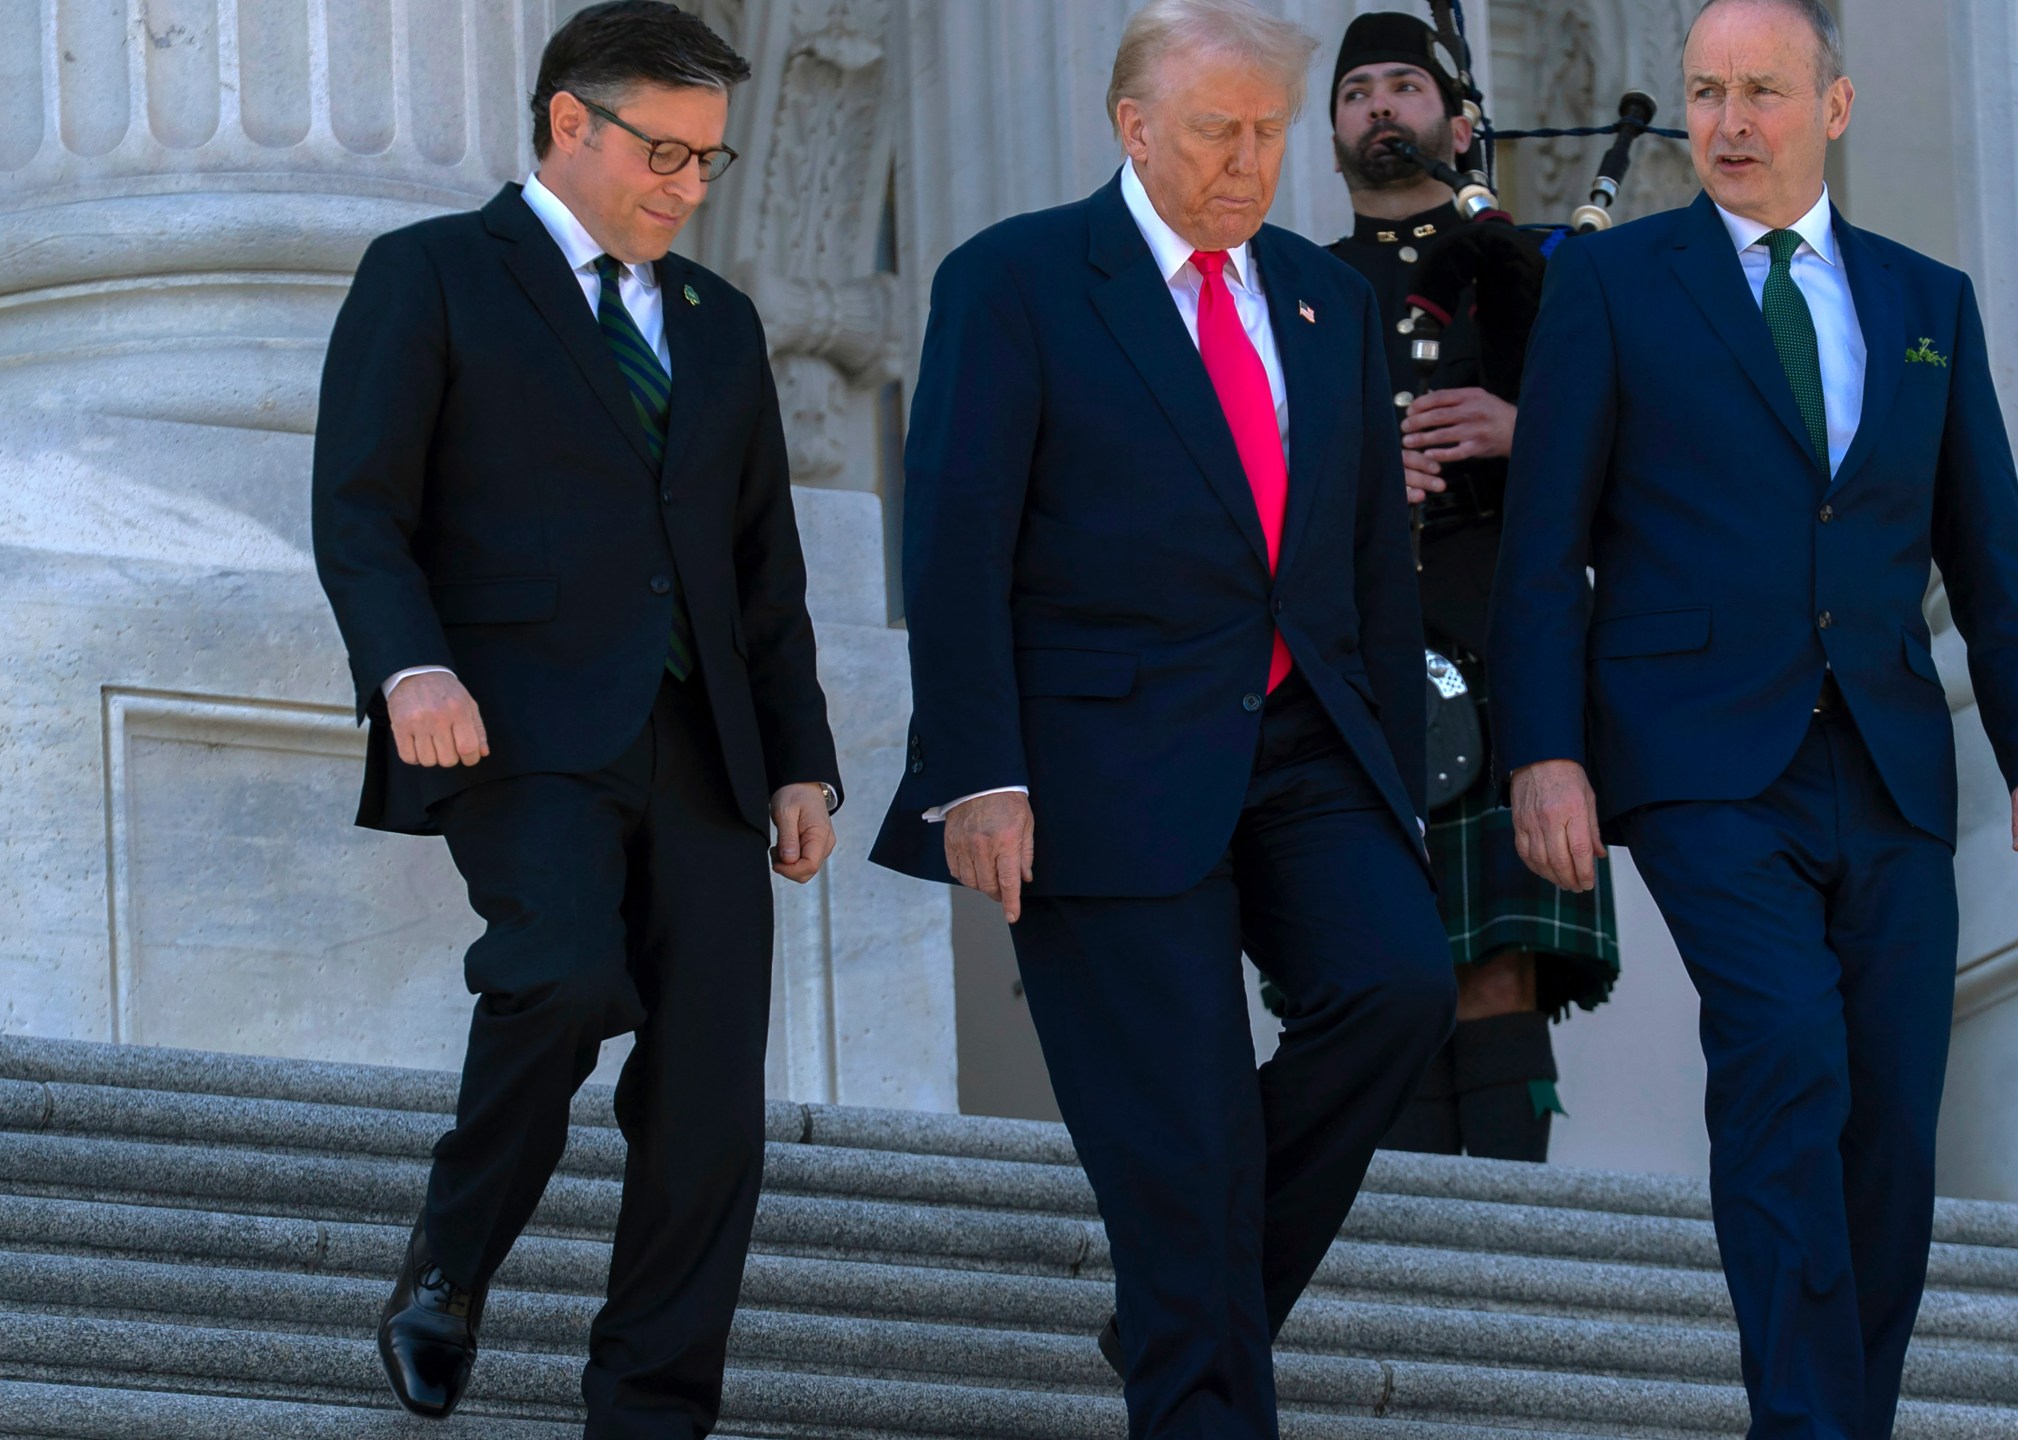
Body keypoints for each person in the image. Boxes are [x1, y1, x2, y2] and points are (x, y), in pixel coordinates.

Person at [1490, 1, 2018, 1435]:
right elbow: (1541, 545)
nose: (1728, 122)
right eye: (1705, 92)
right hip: (1699, 758)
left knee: (1888, 1124)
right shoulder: (1615, 286)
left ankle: (1845, 1417)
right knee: (1786, 1059)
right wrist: (1545, 750)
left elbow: (1989, 557)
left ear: (1833, 104)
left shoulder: (1926, 302)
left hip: (1886, 759)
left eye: (1762, 90)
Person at [867, 1, 1454, 1435]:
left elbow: (1372, 563)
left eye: (1267, 132)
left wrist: (1392, 770)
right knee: (1181, 1142)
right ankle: (1194, 1348)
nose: (1248, 161)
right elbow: (954, 542)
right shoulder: (1016, 280)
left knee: (1398, 989)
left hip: (1307, 742)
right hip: (1093, 762)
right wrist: (977, 774)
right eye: (1215, 131)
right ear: (1134, 128)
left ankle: (1182, 1298)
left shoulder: (1330, 301)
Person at [310, 4, 842, 1434]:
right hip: (518, 725)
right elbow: (361, 508)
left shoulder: (720, 325)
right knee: (561, 979)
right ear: (567, 124)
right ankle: (452, 1268)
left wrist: (803, 762)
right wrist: (407, 669)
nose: (684, 184)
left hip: (712, 753)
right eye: (663, 151)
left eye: (708, 161)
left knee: (711, 1113)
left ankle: (649, 1413)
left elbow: (762, 572)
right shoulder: (428, 274)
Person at [1321, 12, 1618, 1163]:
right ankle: (1392, 1253)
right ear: (1335, 129)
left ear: (1455, 119)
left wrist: (1521, 426)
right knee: (1369, 968)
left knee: (1497, 971)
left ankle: (1506, 1248)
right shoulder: (1295, 288)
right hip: (1356, 660)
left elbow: (1648, 454)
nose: (1380, 108)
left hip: (1502, 642)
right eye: (1356, 94)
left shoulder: (1539, 275)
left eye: (1404, 86)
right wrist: (1348, 479)